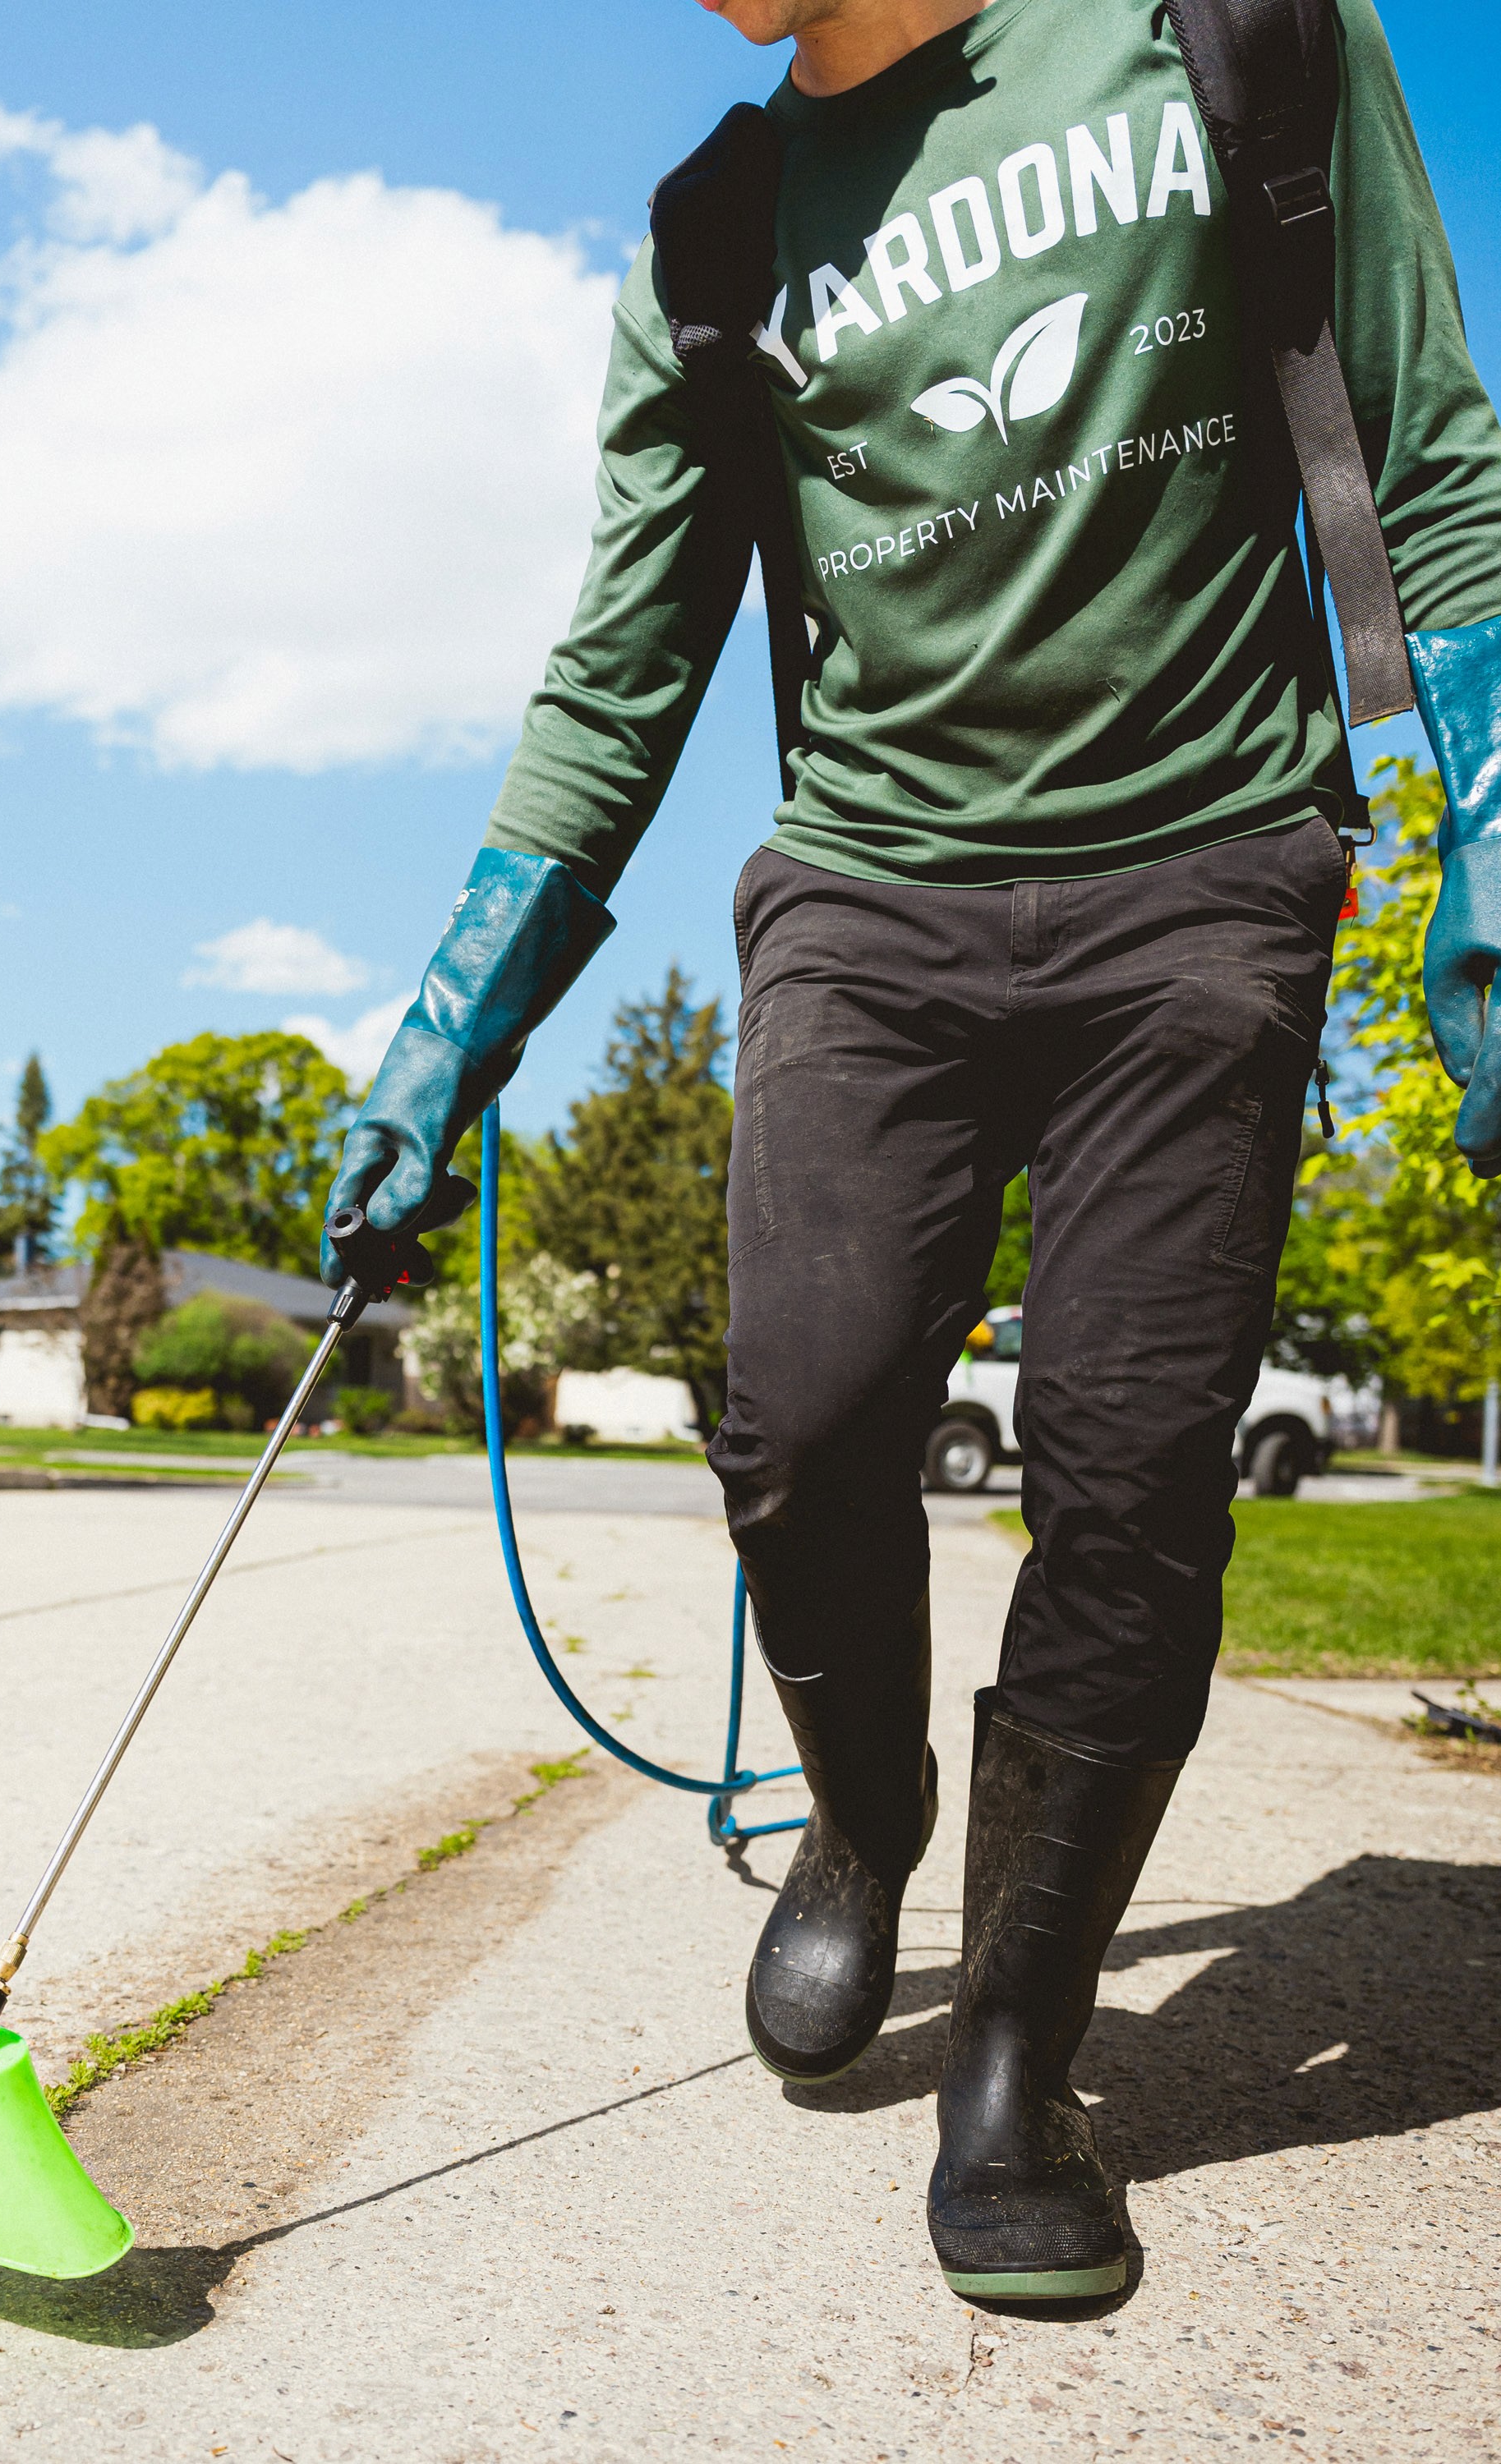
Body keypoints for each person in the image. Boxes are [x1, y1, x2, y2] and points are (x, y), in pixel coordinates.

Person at [322, 0, 1501, 2301]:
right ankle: (866, 1823)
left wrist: (1494, 819)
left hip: (1209, 870)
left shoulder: (1230, 30)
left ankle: (1020, 2058)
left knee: (1137, 1464)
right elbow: (621, 663)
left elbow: (1436, 457)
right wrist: (454, 1010)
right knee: (810, 1419)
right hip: (871, 899)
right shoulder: (717, 233)